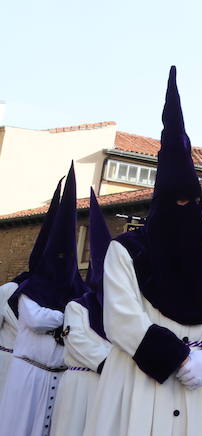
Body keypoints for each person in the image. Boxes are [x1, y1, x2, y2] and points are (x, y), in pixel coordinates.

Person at [85, 68, 202, 436]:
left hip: (199, 385)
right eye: (176, 201)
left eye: (193, 202)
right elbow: (123, 318)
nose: (184, 208)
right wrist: (178, 358)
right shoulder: (125, 252)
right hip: (141, 382)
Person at [0, 164, 83, 435]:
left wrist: (68, 317)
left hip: (59, 377)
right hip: (26, 374)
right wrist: (69, 316)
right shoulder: (28, 289)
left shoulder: (77, 292)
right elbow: (36, 319)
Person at [48, 190, 113, 436]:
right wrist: (113, 363)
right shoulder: (78, 306)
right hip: (79, 386)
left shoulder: (123, 308)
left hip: (107, 387)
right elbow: (78, 341)